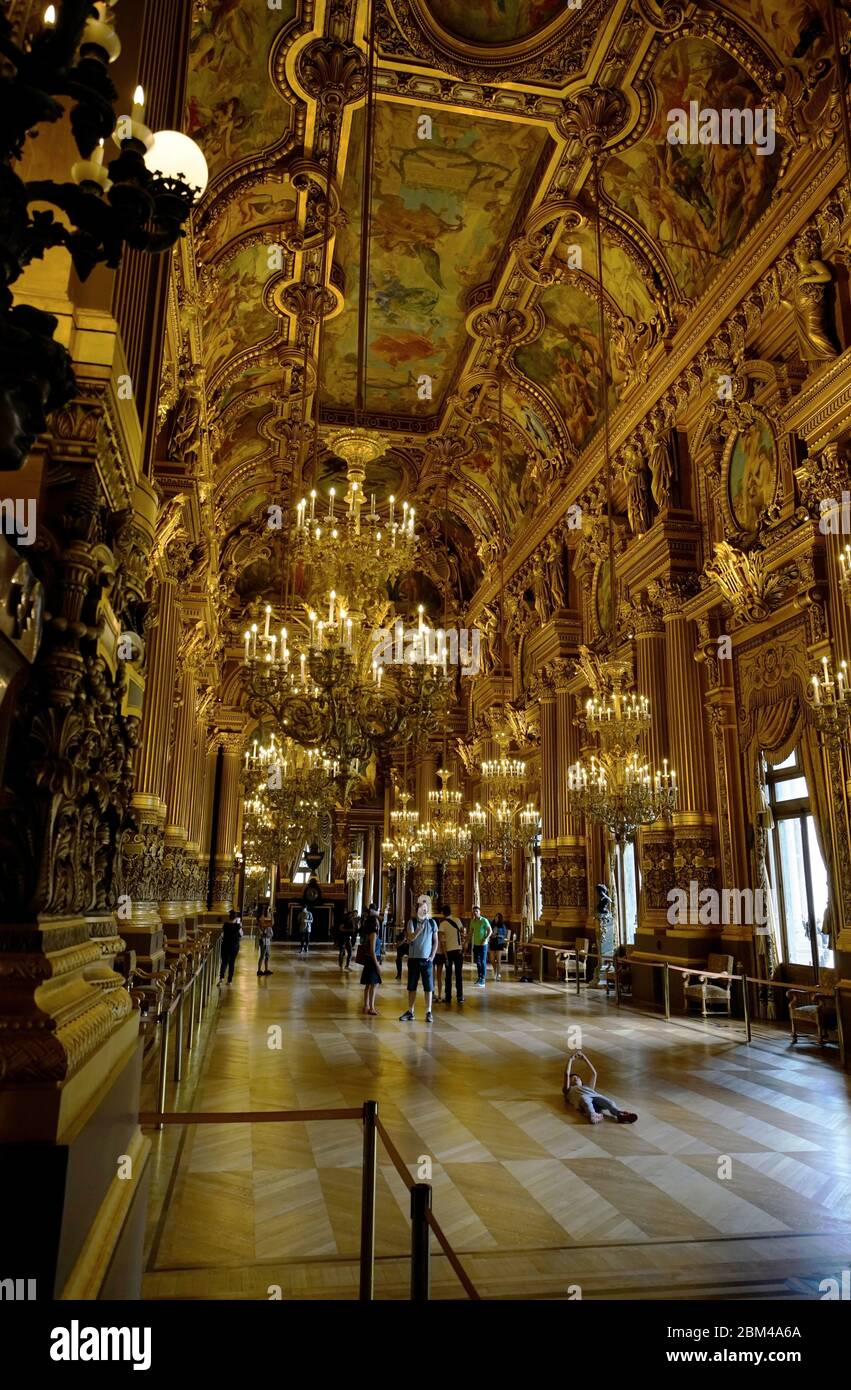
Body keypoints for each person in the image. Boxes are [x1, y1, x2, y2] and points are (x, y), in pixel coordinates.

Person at [563, 1051, 637, 1124]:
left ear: (581, 1081)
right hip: (583, 1104)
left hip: (596, 1100)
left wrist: (585, 1059)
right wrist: (571, 1059)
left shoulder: (588, 1088)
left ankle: (619, 1114)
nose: (575, 1078)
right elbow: (566, 1073)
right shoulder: (569, 1090)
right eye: (572, 1078)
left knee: (610, 1103)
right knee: (584, 1098)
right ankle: (593, 1115)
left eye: (577, 1078)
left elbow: (594, 1073)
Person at [399, 893, 438, 1023]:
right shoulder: (412, 922)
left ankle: (428, 1012)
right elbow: (410, 938)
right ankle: (410, 1011)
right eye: (421, 908)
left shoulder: (432, 923)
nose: (423, 910)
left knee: (429, 987)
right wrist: (418, 930)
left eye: (425, 909)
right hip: (414, 959)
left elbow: (435, 941)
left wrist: (432, 956)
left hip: (426, 960)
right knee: (412, 987)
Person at [438, 902, 465, 1005]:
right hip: (458, 950)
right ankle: (460, 996)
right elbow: (463, 932)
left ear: (442, 913)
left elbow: (442, 941)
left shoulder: (442, 924)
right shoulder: (457, 920)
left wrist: (444, 955)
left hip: (448, 952)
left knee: (448, 975)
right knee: (459, 974)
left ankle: (448, 996)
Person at [360, 905, 382, 1016]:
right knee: (373, 984)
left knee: (369, 984)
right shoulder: (373, 934)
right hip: (373, 960)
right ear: (375, 924)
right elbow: (373, 950)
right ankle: (371, 1007)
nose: (379, 923)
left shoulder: (371, 934)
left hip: (370, 959)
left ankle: (366, 1005)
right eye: (377, 922)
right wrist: (377, 964)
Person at [470, 904, 492, 987]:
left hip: (483, 945)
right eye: (474, 911)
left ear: (480, 912)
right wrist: (466, 942)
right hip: (476, 944)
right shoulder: (472, 921)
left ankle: (483, 979)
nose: (475, 913)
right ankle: (479, 977)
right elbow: (470, 933)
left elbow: (490, 931)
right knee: (478, 962)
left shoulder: (484, 920)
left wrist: (485, 938)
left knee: (482, 961)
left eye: (477, 911)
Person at [219, 909, 243, 984]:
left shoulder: (225, 925)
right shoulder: (238, 926)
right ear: (235, 918)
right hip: (234, 946)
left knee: (224, 961)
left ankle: (221, 977)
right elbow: (241, 935)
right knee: (232, 962)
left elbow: (222, 934)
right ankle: (229, 980)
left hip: (225, 945)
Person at [490, 912, 509, 981]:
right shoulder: (491, 924)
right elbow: (488, 932)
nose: (496, 918)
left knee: (498, 960)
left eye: (497, 917)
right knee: (492, 959)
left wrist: (498, 935)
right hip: (492, 942)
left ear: (500, 918)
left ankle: (498, 974)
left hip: (499, 943)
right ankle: (495, 970)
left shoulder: (502, 925)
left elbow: (504, 935)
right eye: (495, 917)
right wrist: (491, 935)